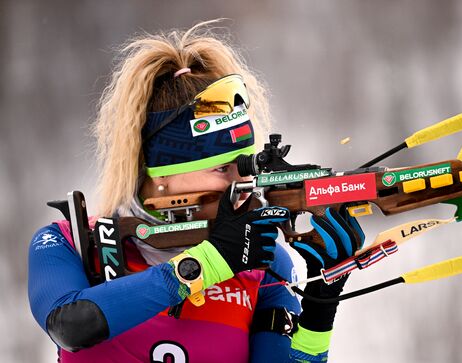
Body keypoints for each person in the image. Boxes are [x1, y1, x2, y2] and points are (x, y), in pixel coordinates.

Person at [28, 20, 364, 363]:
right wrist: (212, 261)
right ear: (161, 175)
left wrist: (321, 307)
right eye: (221, 169)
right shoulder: (68, 242)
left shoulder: (261, 259)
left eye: (244, 166)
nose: (242, 182)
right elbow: (71, 326)